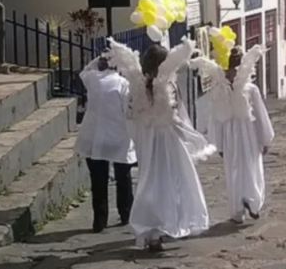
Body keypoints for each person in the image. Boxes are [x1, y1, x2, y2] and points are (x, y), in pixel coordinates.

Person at [106, 37, 215, 251]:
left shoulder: (135, 89)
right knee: (175, 183)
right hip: (169, 142)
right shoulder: (170, 86)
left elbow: (130, 116)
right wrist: (190, 136)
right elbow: (179, 116)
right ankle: (169, 224)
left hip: (147, 142)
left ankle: (153, 231)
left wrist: (139, 136)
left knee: (151, 185)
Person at [192, 46, 276, 223]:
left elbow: (216, 118)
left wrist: (218, 143)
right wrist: (265, 138)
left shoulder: (221, 88)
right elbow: (260, 115)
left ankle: (238, 210)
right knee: (252, 167)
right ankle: (252, 202)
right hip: (249, 135)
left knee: (234, 171)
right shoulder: (250, 89)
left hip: (231, 136)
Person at [75, 56, 136, 233]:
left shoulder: (92, 79)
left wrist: (97, 60)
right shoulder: (123, 84)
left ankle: (99, 220)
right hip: (117, 135)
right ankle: (126, 213)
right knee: (123, 177)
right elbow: (128, 111)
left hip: (94, 137)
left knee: (98, 180)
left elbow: (84, 70)